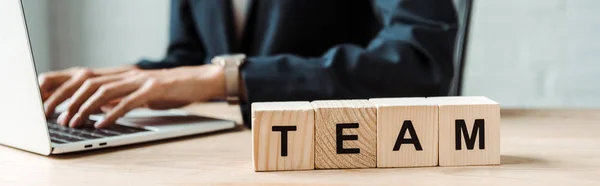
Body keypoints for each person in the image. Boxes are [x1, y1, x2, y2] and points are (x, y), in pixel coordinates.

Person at [39, 0, 458, 129]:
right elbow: (187, 61)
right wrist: (114, 80)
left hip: (336, 155)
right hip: (227, 157)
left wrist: (228, 77)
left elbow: (419, 60)